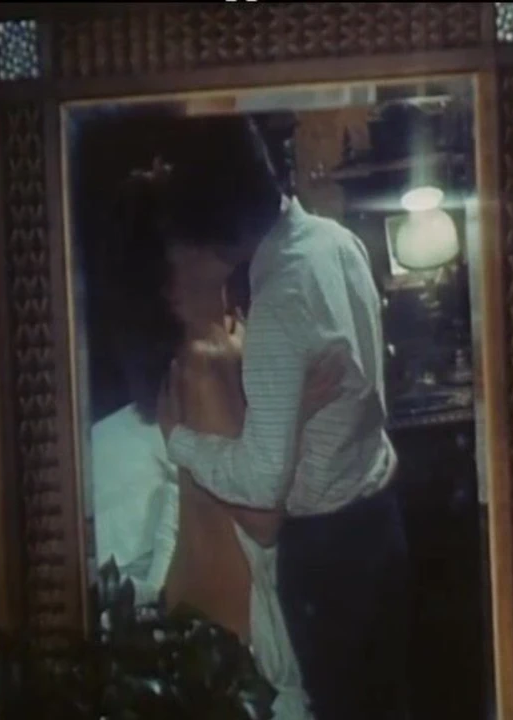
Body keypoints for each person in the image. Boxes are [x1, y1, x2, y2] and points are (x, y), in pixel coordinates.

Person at [155, 115, 411, 720]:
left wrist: (179, 442)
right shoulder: (335, 239)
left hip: (329, 553)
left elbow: (261, 486)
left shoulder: (276, 304)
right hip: (381, 518)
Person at [90, 169, 343, 719]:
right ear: (167, 277)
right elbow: (260, 518)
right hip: (233, 656)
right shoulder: (204, 365)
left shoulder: (214, 361)